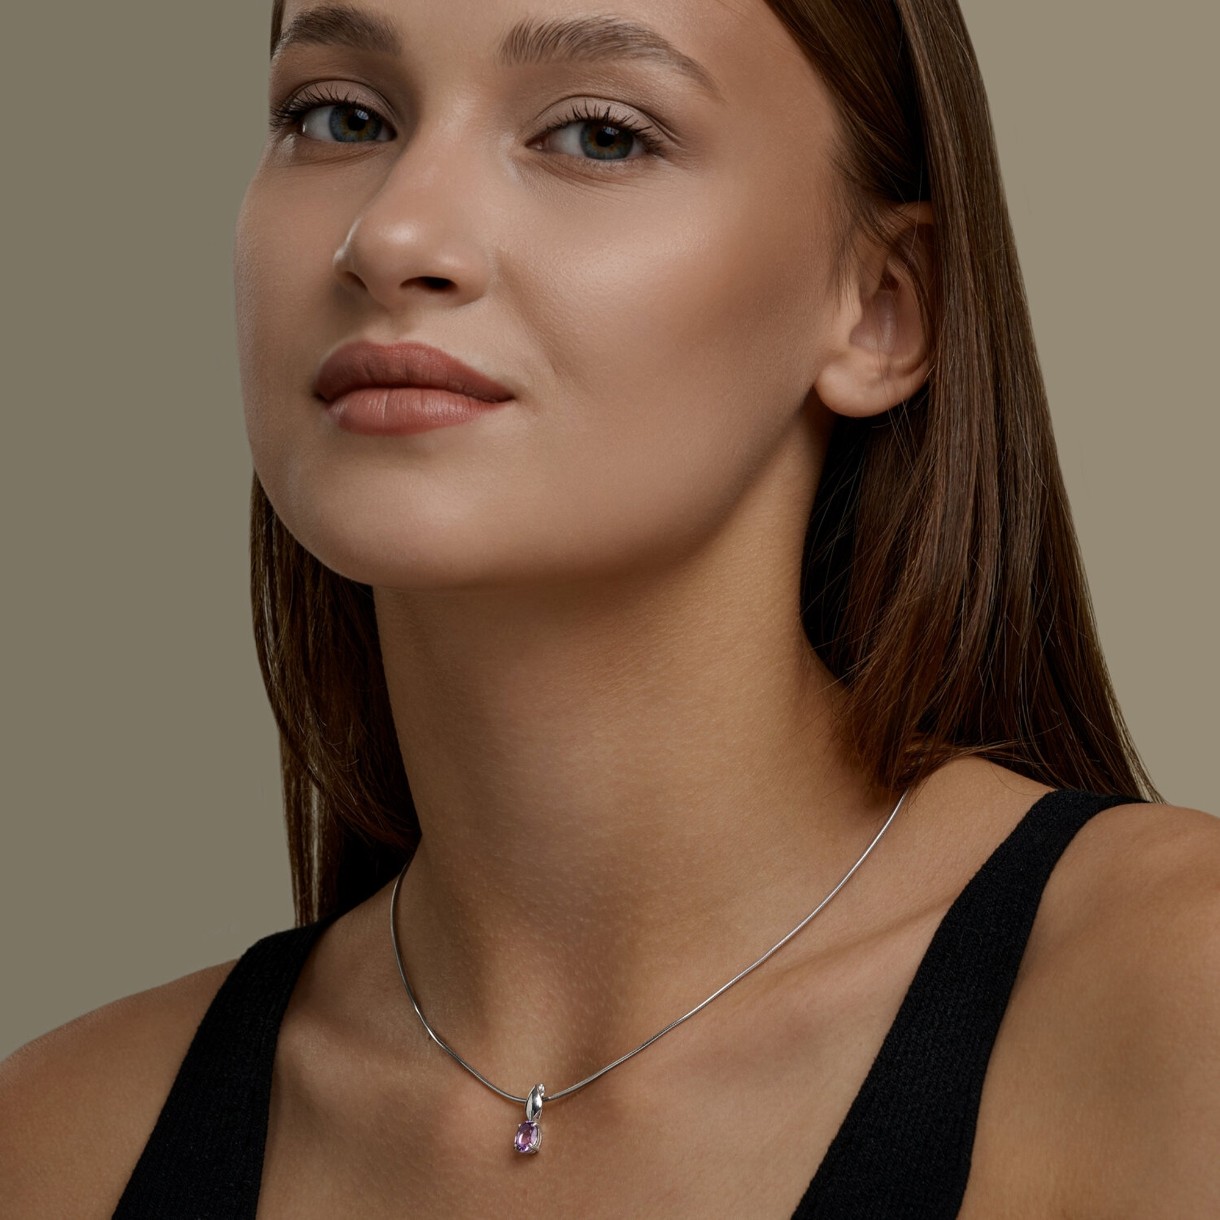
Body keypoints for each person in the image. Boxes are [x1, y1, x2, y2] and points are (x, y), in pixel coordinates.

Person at [3, 0, 1217, 1216]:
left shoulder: (1175, 1003)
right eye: (340, 118)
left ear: (880, 304)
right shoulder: (56, 1146)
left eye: (598, 135)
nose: (392, 234)